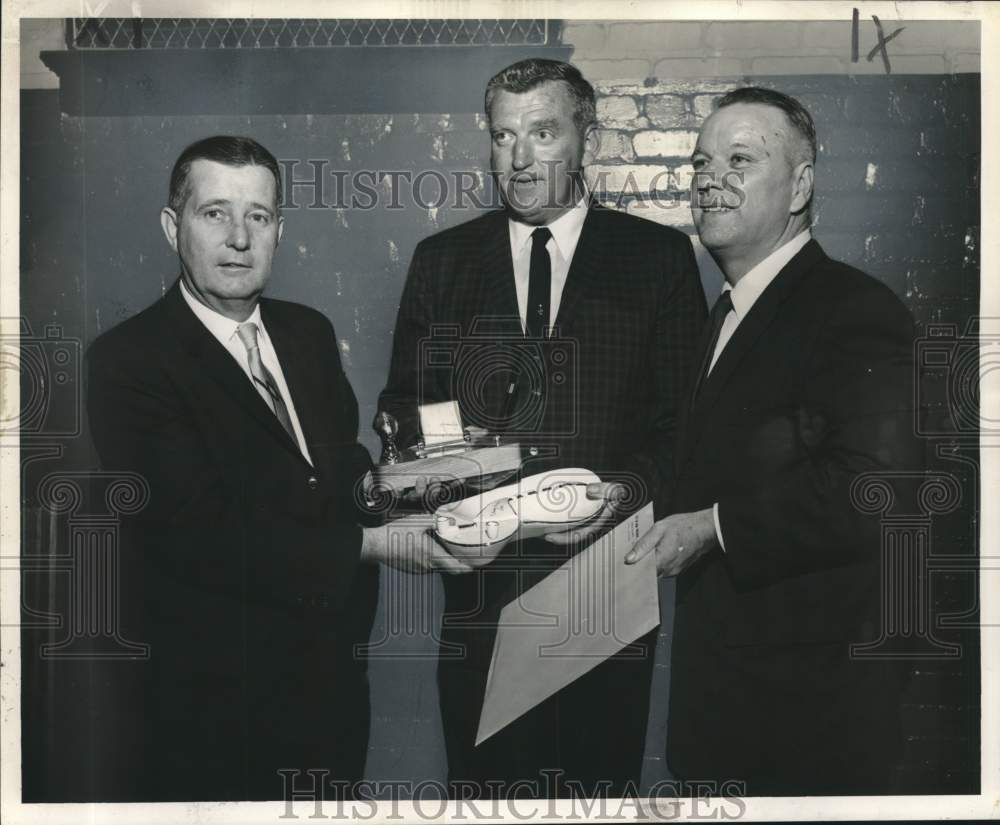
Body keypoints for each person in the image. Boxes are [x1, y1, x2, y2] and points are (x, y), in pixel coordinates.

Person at [86, 135, 467, 802]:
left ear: (279, 230)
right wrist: (376, 543)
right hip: (212, 720)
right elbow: (197, 534)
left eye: (258, 216)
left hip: (330, 700)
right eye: (215, 214)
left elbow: (335, 468)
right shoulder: (129, 362)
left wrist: (389, 486)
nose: (239, 237)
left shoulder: (306, 332)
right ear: (172, 226)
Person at [379, 59, 706, 797]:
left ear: (585, 138)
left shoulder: (655, 259)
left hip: (603, 591)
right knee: (482, 794)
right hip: (479, 590)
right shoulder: (443, 262)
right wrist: (461, 487)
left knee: (595, 793)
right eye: (503, 136)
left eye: (543, 133)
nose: (519, 158)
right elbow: (409, 407)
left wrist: (612, 496)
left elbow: (681, 425)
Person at [627, 87, 919, 796]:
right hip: (728, 710)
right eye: (700, 162)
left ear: (802, 186)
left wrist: (714, 526)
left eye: (740, 159)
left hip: (806, 724)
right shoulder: (725, 313)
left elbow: (874, 489)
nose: (709, 177)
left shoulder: (853, 309)